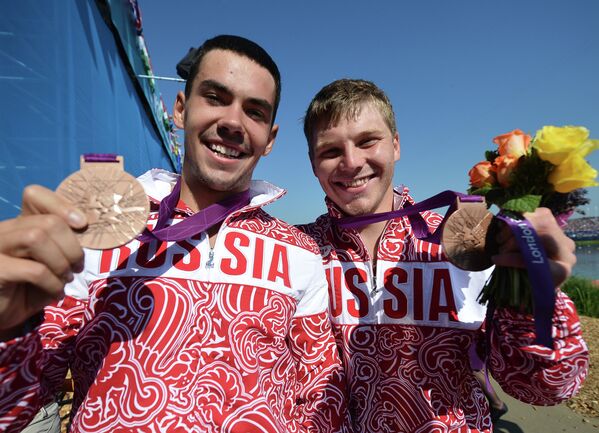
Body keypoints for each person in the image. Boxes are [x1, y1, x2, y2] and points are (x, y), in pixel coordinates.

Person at [0, 35, 346, 433]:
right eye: (215, 97)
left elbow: (322, 393)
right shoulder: (100, 231)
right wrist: (7, 330)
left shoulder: (298, 251)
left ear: (270, 139)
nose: (233, 122)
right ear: (181, 110)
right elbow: (21, 402)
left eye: (254, 112)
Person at [299, 78, 589, 432]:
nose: (351, 161)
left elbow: (542, 388)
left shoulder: (465, 241)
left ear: (396, 145)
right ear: (313, 164)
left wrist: (535, 297)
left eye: (367, 141)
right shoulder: (298, 253)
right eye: (330, 151)